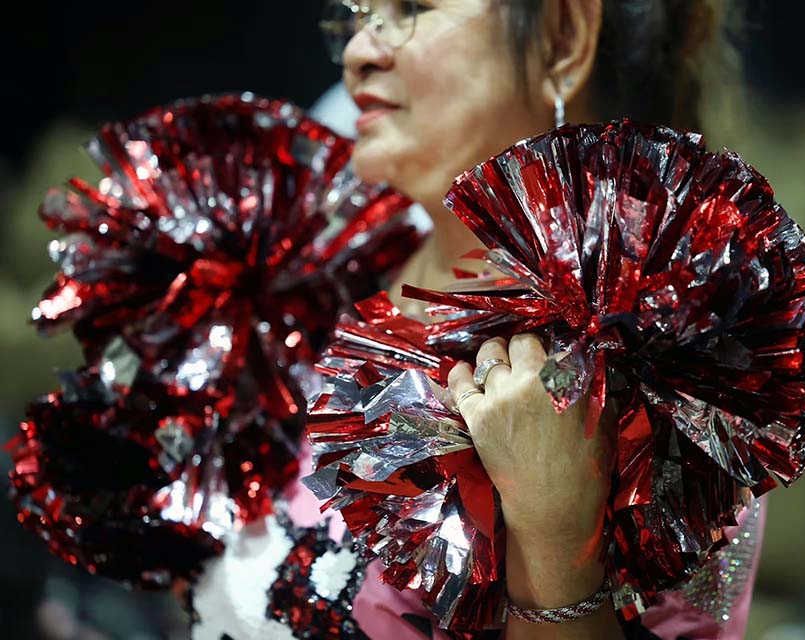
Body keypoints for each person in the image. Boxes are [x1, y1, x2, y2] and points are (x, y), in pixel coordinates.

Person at [192, 2, 765, 639]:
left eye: (411, 8)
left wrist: (555, 545)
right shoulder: (319, 288)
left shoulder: (648, 371)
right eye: (354, 17)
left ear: (563, 39)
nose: (359, 53)